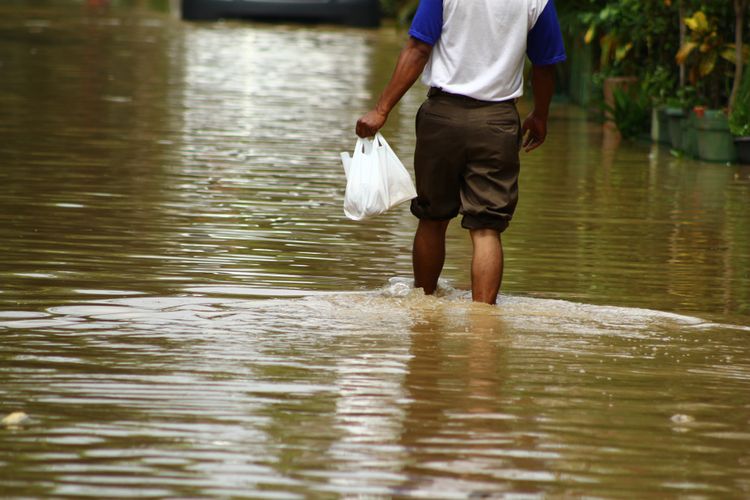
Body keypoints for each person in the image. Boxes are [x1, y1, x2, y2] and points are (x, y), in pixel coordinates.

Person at [355, 0, 566, 305]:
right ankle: (484, 324)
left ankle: (423, 311)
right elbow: (546, 65)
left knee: (432, 218)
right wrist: (540, 116)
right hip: (498, 123)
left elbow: (417, 48)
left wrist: (381, 110)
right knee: (486, 228)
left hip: (442, 117)